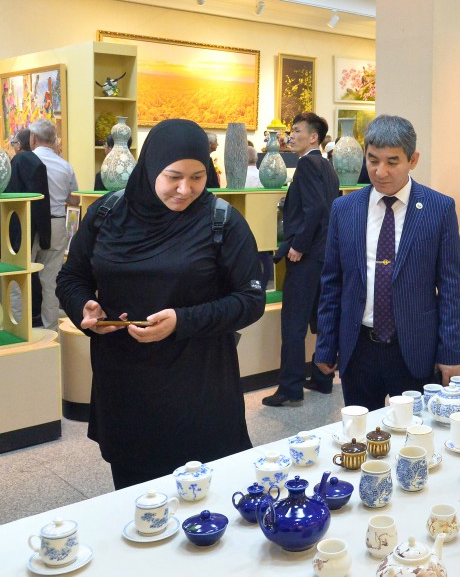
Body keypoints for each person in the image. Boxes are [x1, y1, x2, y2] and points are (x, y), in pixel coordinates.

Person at [55, 119, 265, 489]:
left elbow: (250, 300)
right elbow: (71, 278)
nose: (185, 190)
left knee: (208, 499)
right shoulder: (107, 214)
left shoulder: (221, 222)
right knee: (139, 497)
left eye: (198, 177)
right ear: (150, 167)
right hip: (125, 385)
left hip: (199, 383)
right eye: (173, 177)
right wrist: (85, 306)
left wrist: (182, 321)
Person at [313, 115, 460, 410]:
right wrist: (326, 344)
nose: (380, 171)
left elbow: (450, 289)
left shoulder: (438, 209)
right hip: (358, 348)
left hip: (413, 348)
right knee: (360, 437)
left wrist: (451, 352)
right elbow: (331, 282)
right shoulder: (345, 209)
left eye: (392, 162)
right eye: (372, 160)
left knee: (416, 438)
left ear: (413, 160)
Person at [263, 113, 341, 407]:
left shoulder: (307, 163)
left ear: (313, 137)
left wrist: (298, 245)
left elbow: (315, 209)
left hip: (307, 256)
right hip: (324, 255)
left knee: (293, 323)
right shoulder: (327, 165)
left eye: (296, 131)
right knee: (321, 318)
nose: (290, 136)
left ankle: (290, 388)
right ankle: (322, 379)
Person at [30, 118, 79, 330]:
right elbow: (75, 200)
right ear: (54, 140)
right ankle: (51, 331)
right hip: (57, 223)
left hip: (30, 225)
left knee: (19, 274)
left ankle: (19, 329)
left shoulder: (26, 161)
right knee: (50, 281)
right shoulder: (65, 165)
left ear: (32, 139)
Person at [8, 127, 51, 327]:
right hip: (31, 229)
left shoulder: (16, 163)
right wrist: (45, 236)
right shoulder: (37, 163)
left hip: (14, 230)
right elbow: (43, 203)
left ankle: (16, 323)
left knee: (15, 278)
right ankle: (24, 324)